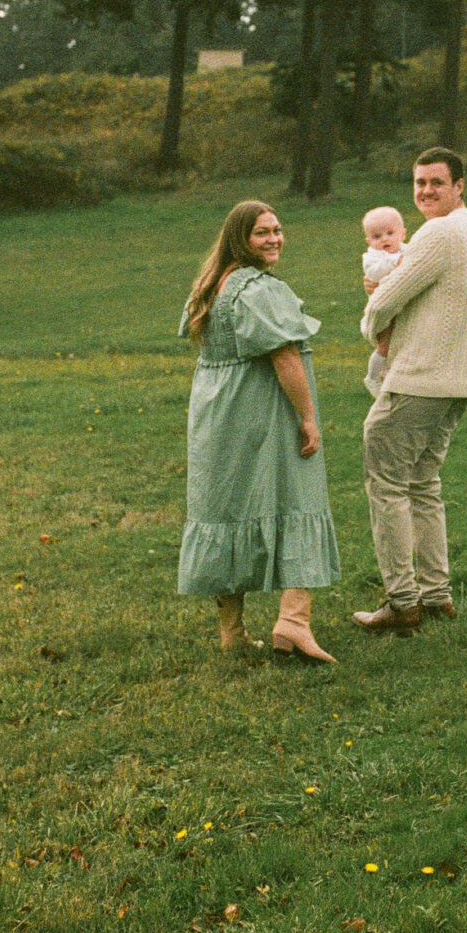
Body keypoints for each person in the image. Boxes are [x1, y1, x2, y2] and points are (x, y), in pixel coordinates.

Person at [177, 200, 338, 662]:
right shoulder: (259, 289)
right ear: (239, 239)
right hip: (260, 411)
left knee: (223, 507)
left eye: (278, 230)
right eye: (261, 233)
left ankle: (232, 631)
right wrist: (307, 415)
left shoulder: (210, 285)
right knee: (296, 495)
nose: (274, 239)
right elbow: (285, 357)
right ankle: (293, 622)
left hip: (216, 415)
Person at [355, 148, 467, 634]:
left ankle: (402, 601)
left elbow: (386, 300)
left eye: (437, 182)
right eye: (419, 183)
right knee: (422, 484)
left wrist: (371, 322)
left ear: (459, 186)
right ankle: (436, 595)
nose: (426, 192)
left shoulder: (440, 232)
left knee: (387, 480)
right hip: (456, 381)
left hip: (421, 378)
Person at [359, 204, 407, 398]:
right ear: (369, 240)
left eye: (390, 233)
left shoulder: (408, 250)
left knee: (401, 343)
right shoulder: (372, 257)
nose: (385, 239)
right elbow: (373, 272)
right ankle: (373, 377)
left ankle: (391, 375)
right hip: (384, 309)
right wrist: (395, 262)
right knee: (385, 344)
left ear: (402, 234)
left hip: (401, 307)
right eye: (377, 237)